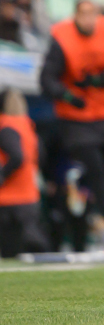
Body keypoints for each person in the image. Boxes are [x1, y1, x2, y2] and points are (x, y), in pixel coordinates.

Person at [39, 0, 104, 248]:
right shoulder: (62, 36)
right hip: (77, 119)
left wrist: (99, 80)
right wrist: (68, 95)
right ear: (75, 15)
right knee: (96, 170)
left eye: (93, 13)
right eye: (84, 13)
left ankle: (92, 215)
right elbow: (46, 79)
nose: (89, 19)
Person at [0, 88, 47, 258]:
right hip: (29, 195)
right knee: (33, 247)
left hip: (8, 198)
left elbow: (17, 156)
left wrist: (2, 175)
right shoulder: (28, 126)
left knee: (10, 252)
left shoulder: (5, 125)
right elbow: (40, 157)